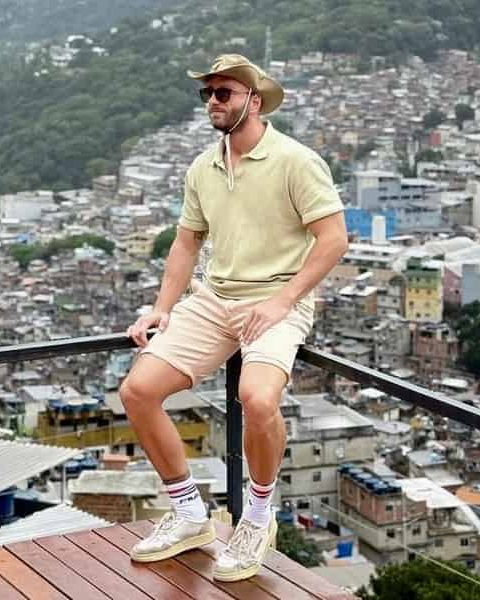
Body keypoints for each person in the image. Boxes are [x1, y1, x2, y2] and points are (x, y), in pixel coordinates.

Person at [120, 53, 349, 582]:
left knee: (258, 398)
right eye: (208, 94)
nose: (213, 103)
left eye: (224, 93)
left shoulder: (295, 160)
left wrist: (282, 300)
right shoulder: (204, 166)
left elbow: (333, 238)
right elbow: (186, 242)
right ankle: (189, 513)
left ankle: (259, 515)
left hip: (277, 297)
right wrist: (161, 307)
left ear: (255, 99)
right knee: (138, 391)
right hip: (214, 297)